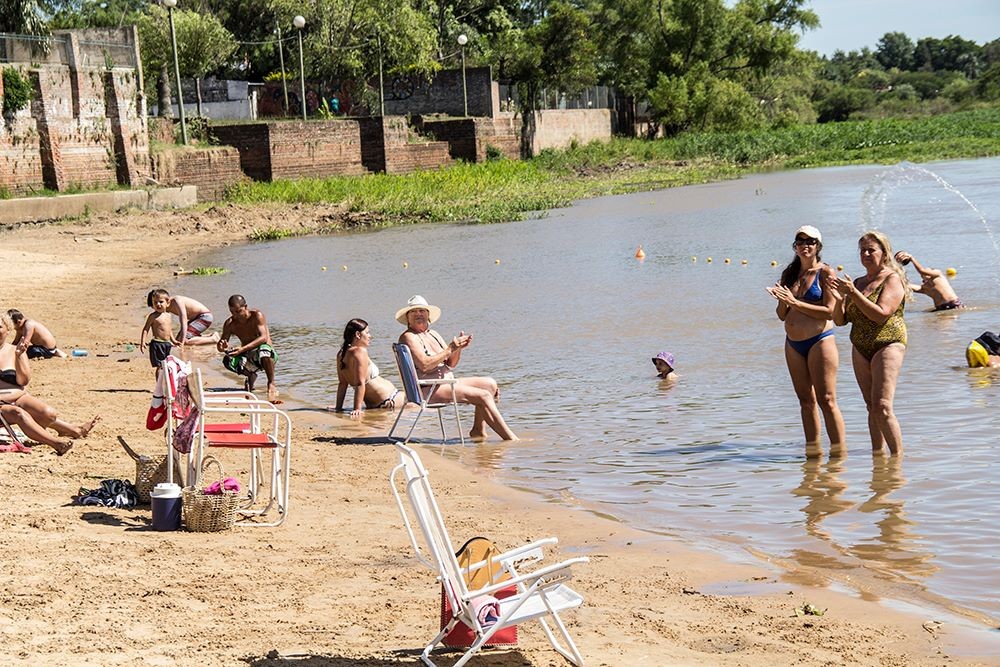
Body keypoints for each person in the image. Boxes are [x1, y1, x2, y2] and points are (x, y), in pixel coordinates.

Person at [766, 225, 846, 458]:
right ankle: (813, 456)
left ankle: (839, 456)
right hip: (793, 344)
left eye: (810, 241)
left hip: (820, 340)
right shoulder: (789, 273)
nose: (805, 246)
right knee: (805, 401)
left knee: (827, 400)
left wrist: (795, 302)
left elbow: (829, 311)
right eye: (800, 242)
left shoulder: (826, 273)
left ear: (818, 246)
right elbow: (782, 315)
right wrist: (782, 300)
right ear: (795, 246)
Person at [827, 231, 909, 456]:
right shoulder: (857, 282)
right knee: (871, 406)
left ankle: (897, 459)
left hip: (888, 342)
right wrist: (837, 297)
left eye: (871, 250)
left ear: (884, 253)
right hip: (860, 346)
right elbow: (840, 320)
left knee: (882, 405)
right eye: (862, 250)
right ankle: (878, 458)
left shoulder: (892, 278)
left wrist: (853, 294)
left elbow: (881, 314)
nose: (865, 254)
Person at [396, 295, 517, 441]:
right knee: (483, 395)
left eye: (422, 311)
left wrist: (458, 348)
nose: (418, 314)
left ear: (428, 315)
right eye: (413, 312)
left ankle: (478, 431)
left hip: (445, 382)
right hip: (428, 388)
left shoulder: (433, 334)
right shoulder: (408, 337)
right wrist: (450, 349)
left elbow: (451, 364)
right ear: (407, 318)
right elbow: (425, 366)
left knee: (489, 384)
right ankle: (510, 439)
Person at [0, 313, 98, 446]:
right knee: (19, 414)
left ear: (8, 329)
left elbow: (23, 381)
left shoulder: (15, 350)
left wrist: (18, 357)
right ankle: (56, 442)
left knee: (48, 414)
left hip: (18, 397)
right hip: (3, 402)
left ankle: (71, 430)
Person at [332, 318, 401, 417]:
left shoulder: (341, 354)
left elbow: (343, 384)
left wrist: (338, 407)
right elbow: (360, 383)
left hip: (379, 403)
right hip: (390, 399)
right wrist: (357, 409)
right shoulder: (360, 352)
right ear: (358, 334)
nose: (370, 336)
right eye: (367, 333)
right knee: (420, 406)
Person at [216, 294, 279, 400]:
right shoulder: (230, 323)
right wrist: (222, 346)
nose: (236, 315)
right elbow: (220, 347)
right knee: (227, 359)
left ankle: (271, 382)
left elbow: (264, 338)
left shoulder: (257, 316)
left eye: (238, 311)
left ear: (245, 307)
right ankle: (250, 375)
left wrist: (242, 349)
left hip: (265, 355)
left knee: (264, 350)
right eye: (232, 312)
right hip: (247, 355)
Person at [146, 289, 220, 346]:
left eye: (159, 302)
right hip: (195, 319)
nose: (157, 306)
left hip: (204, 316)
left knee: (185, 341)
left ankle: (213, 339)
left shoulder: (177, 301)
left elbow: (183, 321)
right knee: (178, 339)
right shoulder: (164, 309)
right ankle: (209, 336)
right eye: (155, 304)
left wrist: (182, 341)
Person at [893, 251, 962, 310]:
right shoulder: (924, 288)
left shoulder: (938, 275)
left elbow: (922, 271)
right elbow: (904, 285)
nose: (926, 270)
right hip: (940, 308)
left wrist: (911, 258)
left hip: (954, 305)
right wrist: (895, 266)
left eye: (928, 269)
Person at [140, 290, 179, 377]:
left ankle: (164, 382)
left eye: (161, 302)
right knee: (160, 366)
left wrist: (174, 340)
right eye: (155, 302)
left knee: (166, 364)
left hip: (167, 344)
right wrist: (143, 342)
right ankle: (159, 383)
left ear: (168, 303)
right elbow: (146, 329)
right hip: (157, 344)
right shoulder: (153, 316)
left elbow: (169, 330)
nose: (158, 304)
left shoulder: (168, 315)